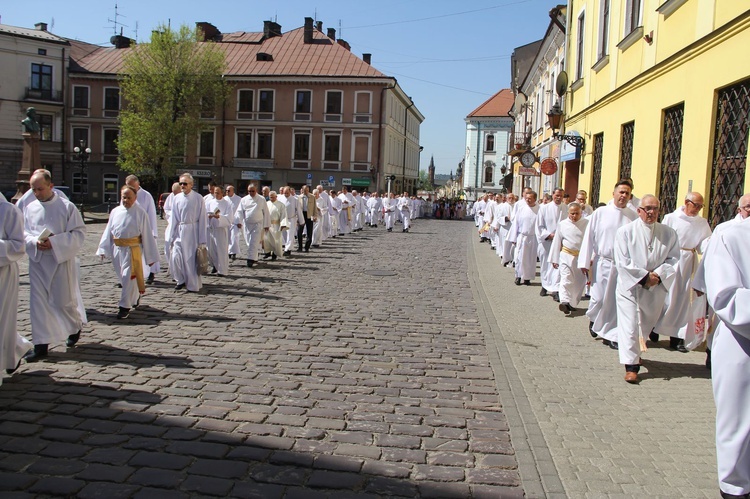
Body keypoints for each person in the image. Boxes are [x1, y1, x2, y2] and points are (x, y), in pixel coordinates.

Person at [702, 221, 750, 499]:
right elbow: (725, 296)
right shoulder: (731, 236)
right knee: (740, 424)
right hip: (741, 343)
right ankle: (735, 488)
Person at [614, 195, 680, 383]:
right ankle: (631, 366)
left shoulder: (669, 233)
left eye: (655, 209)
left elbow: (674, 258)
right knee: (630, 325)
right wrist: (644, 277)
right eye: (647, 208)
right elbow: (623, 261)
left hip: (656, 287)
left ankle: (635, 351)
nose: (651, 212)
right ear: (639, 210)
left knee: (646, 323)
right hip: (631, 288)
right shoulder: (625, 232)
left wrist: (657, 275)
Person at [23, 171, 86, 361]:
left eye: (40, 189)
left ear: (51, 186)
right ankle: (41, 345)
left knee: (62, 302)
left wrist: (56, 243)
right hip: (38, 262)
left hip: (59, 261)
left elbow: (79, 234)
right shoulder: (30, 208)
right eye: (33, 189)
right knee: (38, 305)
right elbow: (23, 232)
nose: (37, 193)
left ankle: (74, 326)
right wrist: (34, 241)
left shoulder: (67, 207)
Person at [579, 181, 638, 348]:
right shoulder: (601, 213)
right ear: (614, 193)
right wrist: (585, 261)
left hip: (621, 266)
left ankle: (611, 333)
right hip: (603, 263)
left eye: (627, 193)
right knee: (598, 298)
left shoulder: (632, 216)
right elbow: (589, 236)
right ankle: (594, 319)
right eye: (621, 192)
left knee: (614, 301)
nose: (623, 196)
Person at [652, 192, 712, 351]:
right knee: (665, 297)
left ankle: (677, 336)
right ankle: (654, 327)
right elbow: (662, 239)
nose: (698, 209)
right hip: (672, 260)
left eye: (701, 206)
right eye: (696, 205)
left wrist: (709, 249)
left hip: (688, 263)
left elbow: (705, 242)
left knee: (683, 300)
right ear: (686, 202)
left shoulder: (701, 222)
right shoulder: (671, 218)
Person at [96, 185, 159, 319]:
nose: (126, 200)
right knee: (124, 278)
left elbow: (147, 234)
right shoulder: (115, 211)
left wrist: (151, 256)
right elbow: (109, 231)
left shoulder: (140, 212)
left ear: (135, 198)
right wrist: (103, 248)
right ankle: (134, 297)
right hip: (117, 249)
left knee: (127, 277)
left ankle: (124, 306)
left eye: (129, 197)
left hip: (133, 250)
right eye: (124, 197)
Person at [0, 192, 33, 377]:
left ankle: (13, 349)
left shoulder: (8, 211)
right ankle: (15, 348)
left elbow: (18, 246)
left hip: (2, 273)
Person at [167, 173, 208, 291]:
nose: (182, 186)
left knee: (190, 259)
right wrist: (172, 235)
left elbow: (202, 219)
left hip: (192, 231)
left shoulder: (198, 198)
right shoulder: (176, 198)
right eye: (181, 183)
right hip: (180, 230)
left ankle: (192, 283)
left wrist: (202, 239)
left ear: (191, 184)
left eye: (185, 183)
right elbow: (174, 218)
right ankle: (180, 279)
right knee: (176, 257)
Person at [550, 203, 589, 315]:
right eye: (572, 213)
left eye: (577, 213)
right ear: (568, 213)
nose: (574, 216)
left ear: (581, 213)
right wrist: (554, 258)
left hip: (581, 257)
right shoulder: (562, 224)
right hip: (566, 255)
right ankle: (564, 301)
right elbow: (557, 241)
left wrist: (590, 258)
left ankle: (572, 304)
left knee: (578, 283)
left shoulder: (587, 224)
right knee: (566, 278)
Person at [125, 175, 160, 284]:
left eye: (133, 186)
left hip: (145, 228)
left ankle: (151, 273)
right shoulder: (126, 194)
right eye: (129, 185)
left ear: (138, 184)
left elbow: (151, 214)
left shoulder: (146, 196)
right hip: (131, 230)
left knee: (147, 252)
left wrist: (152, 231)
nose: (131, 188)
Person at [536, 188, 566, 300]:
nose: (558, 198)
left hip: (561, 243)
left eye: (561, 196)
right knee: (545, 265)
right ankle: (544, 285)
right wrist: (549, 235)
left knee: (557, 265)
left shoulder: (566, 208)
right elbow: (539, 226)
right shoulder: (544, 208)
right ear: (552, 195)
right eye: (557, 195)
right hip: (547, 241)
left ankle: (555, 289)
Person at [507, 191, 540, 286]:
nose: (528, 200)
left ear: (535, 199)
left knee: (531, 259)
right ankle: (518, 276)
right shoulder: (521, 209)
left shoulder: (539, 209)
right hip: (522, 236)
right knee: (519, 258)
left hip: (533, 237)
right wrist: (513, 238)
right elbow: (515, 224)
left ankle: (527, 278)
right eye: (526, 198)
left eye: (530, 198)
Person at [235, 184, 270, 267]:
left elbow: (266, 212)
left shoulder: (261, 199)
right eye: (249, 191)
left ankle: (250, 260)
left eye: (253, 191)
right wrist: (239, 221)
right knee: (248, 242)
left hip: (258, 224)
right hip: (247, 224)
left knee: (253, 241)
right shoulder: (244, 199)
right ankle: (254, 257)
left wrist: (266, 224)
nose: (251, 193)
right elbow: (240, 211)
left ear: (256, 190)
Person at [205, 185, 232, 276]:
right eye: (214, 192)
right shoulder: (210, 202)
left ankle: (222, 270)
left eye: (217, 192)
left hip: (220, 229)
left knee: (221, 250)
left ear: (222, 193)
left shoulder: (227, 204)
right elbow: (205, 213)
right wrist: (208, 216)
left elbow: (229, 218)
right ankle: (215, 265)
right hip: (211, 229)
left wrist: (219, 217)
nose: (215, 194)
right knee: (211, 250)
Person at [162, 182, 181, 276]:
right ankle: (172, 268)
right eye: (174, 193)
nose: (175, 195)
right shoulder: (171, 197)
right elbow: (166, 209)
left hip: (183, 226)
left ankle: (179, 271)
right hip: (172, 224)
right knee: (167, 246)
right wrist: (171, 215)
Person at [264, 191, 287, 260]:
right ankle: (267, 253)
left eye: (273, 197)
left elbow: (284, 215)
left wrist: (283, 224)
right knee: (266, 240)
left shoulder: (281, 205)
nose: (271, 198)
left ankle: (274, 254)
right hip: (268, 224)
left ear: (276, 197)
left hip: (276, 225)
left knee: (276, 240)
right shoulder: (266, 204)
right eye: (270, 197)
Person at [297, 185, 316, 252]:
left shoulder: (312, 197)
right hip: (301, 215)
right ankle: (300, 247)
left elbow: (314, 207)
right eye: (305, 190)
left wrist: (315, 216)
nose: (306, 192)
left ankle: (307, 247)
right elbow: (297, 208)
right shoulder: (299, 197)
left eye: (307, 190)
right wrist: (297, 217)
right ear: (302, 190)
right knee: (299, 231)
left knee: (309, 231)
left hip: (309, 215)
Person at [225, 185, 242, 261]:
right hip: (226, 222)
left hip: (235, 222)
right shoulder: (224, 199)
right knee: (227, 238)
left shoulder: (238, 199)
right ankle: (228, 252)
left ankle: (233, 253)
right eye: (226, 190)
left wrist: (239, 221)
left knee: (234, 238)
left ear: (233, 191)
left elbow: (240, 211)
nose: (227, 192)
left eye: (229, 190)